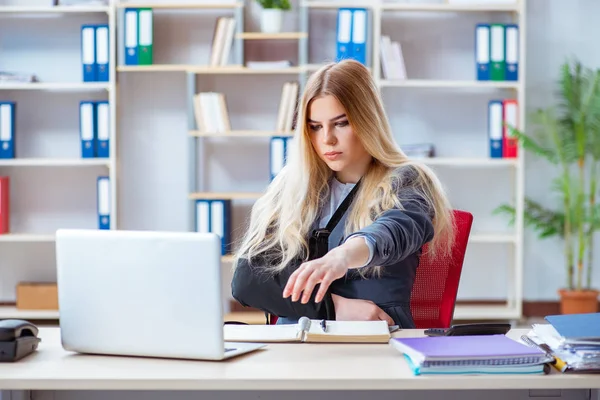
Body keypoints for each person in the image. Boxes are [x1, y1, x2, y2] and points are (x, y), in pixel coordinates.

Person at [230, 59, 455, 328]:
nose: (327, 139)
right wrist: (334, 307)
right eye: (315, 127)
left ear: (367, 121)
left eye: (341, 123)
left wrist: (343, 256)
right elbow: (247, 280)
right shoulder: (292, 187)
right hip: (296, 346)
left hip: (374, 342)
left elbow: (395, 230)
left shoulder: (408, 180)